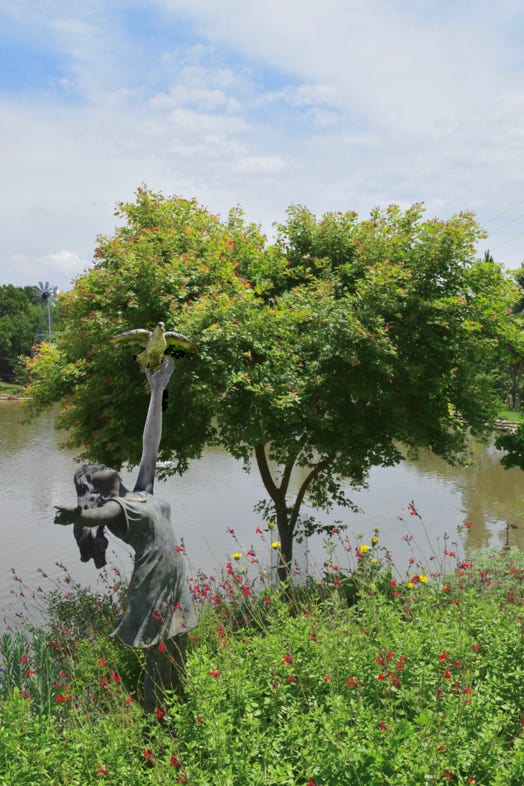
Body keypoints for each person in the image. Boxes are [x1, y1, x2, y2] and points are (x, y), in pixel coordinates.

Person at [54, 357, 197, 712]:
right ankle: (156, 722)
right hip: (153, 583)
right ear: (98, 487)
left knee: (178, 652)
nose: (101, 464)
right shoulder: (117, 510)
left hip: (172, 577)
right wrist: (79, 514)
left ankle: (177, 711)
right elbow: (97, 514)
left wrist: (156, 390)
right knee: (159, 658)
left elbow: (150, 444)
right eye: (95, 469)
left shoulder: (140, 491)